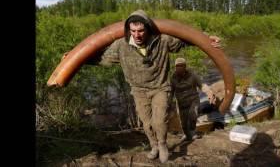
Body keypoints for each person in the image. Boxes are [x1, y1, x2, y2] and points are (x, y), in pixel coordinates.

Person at [62, 10, 221, 163]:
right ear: (128, 30)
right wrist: (75, 57)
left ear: (147, 28)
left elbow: (185, 40)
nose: (137, 35)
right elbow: (100, 57)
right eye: (133, 31)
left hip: (160, 87)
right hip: (138, 90)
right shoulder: (121, 46)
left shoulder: (162, 40)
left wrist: (207, 39)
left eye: (141, 30)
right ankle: (154, 146)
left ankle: (163, 144)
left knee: (159, 121)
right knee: (147, 123)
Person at [171, 57, 216, 141]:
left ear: (185, 66)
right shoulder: (173, 78)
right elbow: (171, 91)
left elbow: (202, 85)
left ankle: (193, 132)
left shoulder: (193, 75)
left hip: (193, 100)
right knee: (183, 121)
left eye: (181, 65)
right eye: (177, 66)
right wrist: (169, 102)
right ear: (175, 67)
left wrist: (209, 93)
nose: (179, 67)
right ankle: (186, 134)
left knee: (193, 115)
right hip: (181, 102)